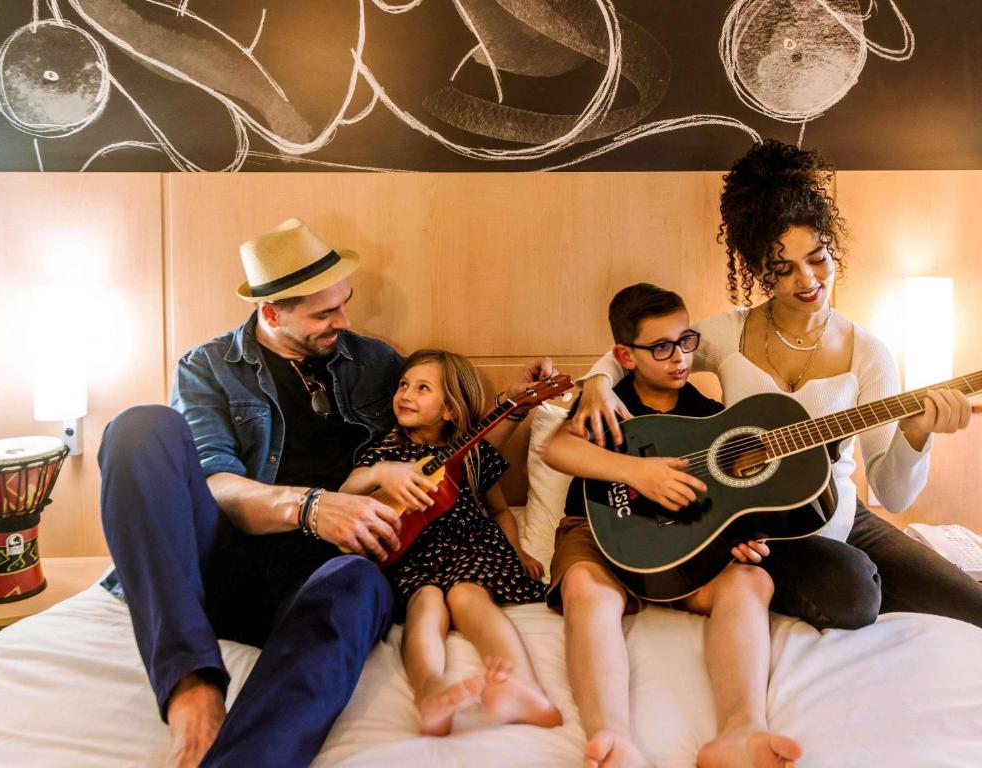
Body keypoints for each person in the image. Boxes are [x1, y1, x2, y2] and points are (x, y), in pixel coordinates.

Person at [98, 218, 552, 768]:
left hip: (328, 575)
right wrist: (311, 506)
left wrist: (520, 399)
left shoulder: (376, 362)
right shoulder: (209, 368)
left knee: (359, 583)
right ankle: (193, 692)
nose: (345, 320)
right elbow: (215, 484)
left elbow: (449, 429)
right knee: (139, 427)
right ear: (272, 313)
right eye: (324, 313)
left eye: (345, 303)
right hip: (226, 562)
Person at [573, 139, 982, 639]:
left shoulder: (868, 354)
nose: (807, 280)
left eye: (818, 258)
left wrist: (917, 433)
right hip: (757, 522)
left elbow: (894, 495)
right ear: (756, 268)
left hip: (841, 515)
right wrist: (596, 382)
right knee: (854, 593)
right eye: (782, 268)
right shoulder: (727, 334)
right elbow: (645, 348)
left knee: (972, 603)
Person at [544, 283, 802, 768]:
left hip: (681, 545)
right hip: (598, 531)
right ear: (625, 354)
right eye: (661, 347)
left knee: (751, 580)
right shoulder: (608, 401)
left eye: (686, 341)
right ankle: (613, 736)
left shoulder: (710, 416)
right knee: (585, 588)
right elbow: (556, 449)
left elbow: (732, 498)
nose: (679, 358)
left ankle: (741, 728)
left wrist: (737, 534)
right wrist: (636, 471)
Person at [340, 349, 560, 737]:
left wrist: (517, 551)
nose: (406, 394)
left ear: (450, 411)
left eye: (422, 388)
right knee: (423, 602)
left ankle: (521, 685)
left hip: (468, 545)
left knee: (467, 595)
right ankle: (429, 691)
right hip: (412, 552)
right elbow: (347, 490)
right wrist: (380, 472)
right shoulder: (386, 453)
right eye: (404, 385)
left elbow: (500, 512)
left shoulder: (471, 457)